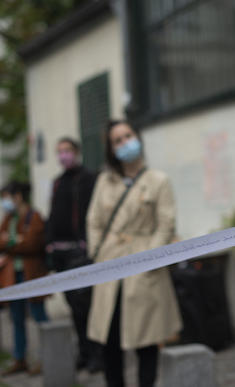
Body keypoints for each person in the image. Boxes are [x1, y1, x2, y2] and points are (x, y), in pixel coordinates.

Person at [86, 119, 182, 387]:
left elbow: (166, 225)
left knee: (147, 340)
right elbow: (93, 221)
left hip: (144, 265)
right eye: (117, 140)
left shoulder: (158, 180)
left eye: (128, 136)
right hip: (109, 265)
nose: (125, 143)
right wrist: (96, 252)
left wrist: (149, 258)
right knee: (109, 340)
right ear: (111, 149)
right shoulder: (105, 181)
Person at [45, 137, 101, 372]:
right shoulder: (58, 182)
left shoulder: (88, 177)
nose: (63, 155)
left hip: (81, 253)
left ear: (77, 152)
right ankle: (84, 351)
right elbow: (53, 214)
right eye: (60, 151)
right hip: (62, 255)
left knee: (87, 305)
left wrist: (87, 243)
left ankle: (97, 353)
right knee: (73, 306)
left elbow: (92, 213)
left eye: (67, 150)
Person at [0, 181, 49, 376]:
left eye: (6, 197)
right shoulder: (9, 218)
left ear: (18, 196)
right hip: (12, 276)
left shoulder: (34, 217)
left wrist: (11, 242)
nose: (4, 202)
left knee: (39, 316)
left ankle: (47, 358)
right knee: (16, 318)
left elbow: (32, 244)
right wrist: (15, 240)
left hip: (31, 274)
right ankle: (20, 358)